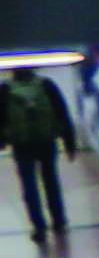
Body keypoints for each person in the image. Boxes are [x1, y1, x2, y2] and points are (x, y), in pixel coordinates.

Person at [0, 59, 71, 247]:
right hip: (46, 141)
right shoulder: (46, 85)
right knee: (51, 181)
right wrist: (69, 141)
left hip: (22, 144)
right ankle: (59, 221)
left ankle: (39, 227)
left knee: (29, 185)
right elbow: (62, 113)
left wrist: (2, 142)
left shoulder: (5, 90)